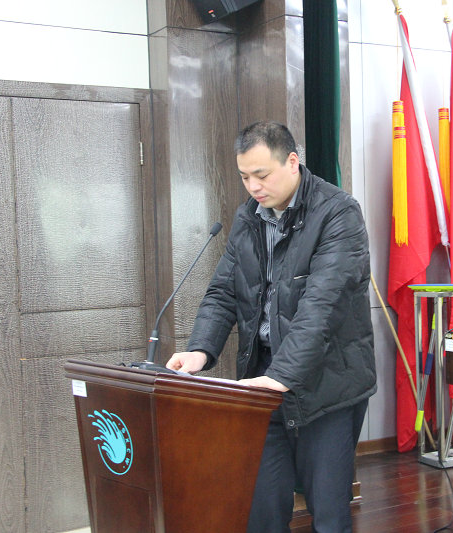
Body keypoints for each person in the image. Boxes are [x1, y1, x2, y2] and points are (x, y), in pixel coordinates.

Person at [166, 121, 376, 533]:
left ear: (292, 162)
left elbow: (322, 308)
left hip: (327, 383)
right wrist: (200, 350)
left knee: (328, 513)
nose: (253, 187)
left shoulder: (337, 213)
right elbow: (224, 292)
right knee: (261, 508)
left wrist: (281, 375)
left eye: (261, 175)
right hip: (262, 383)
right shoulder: (249, 217)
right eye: (245, 177)